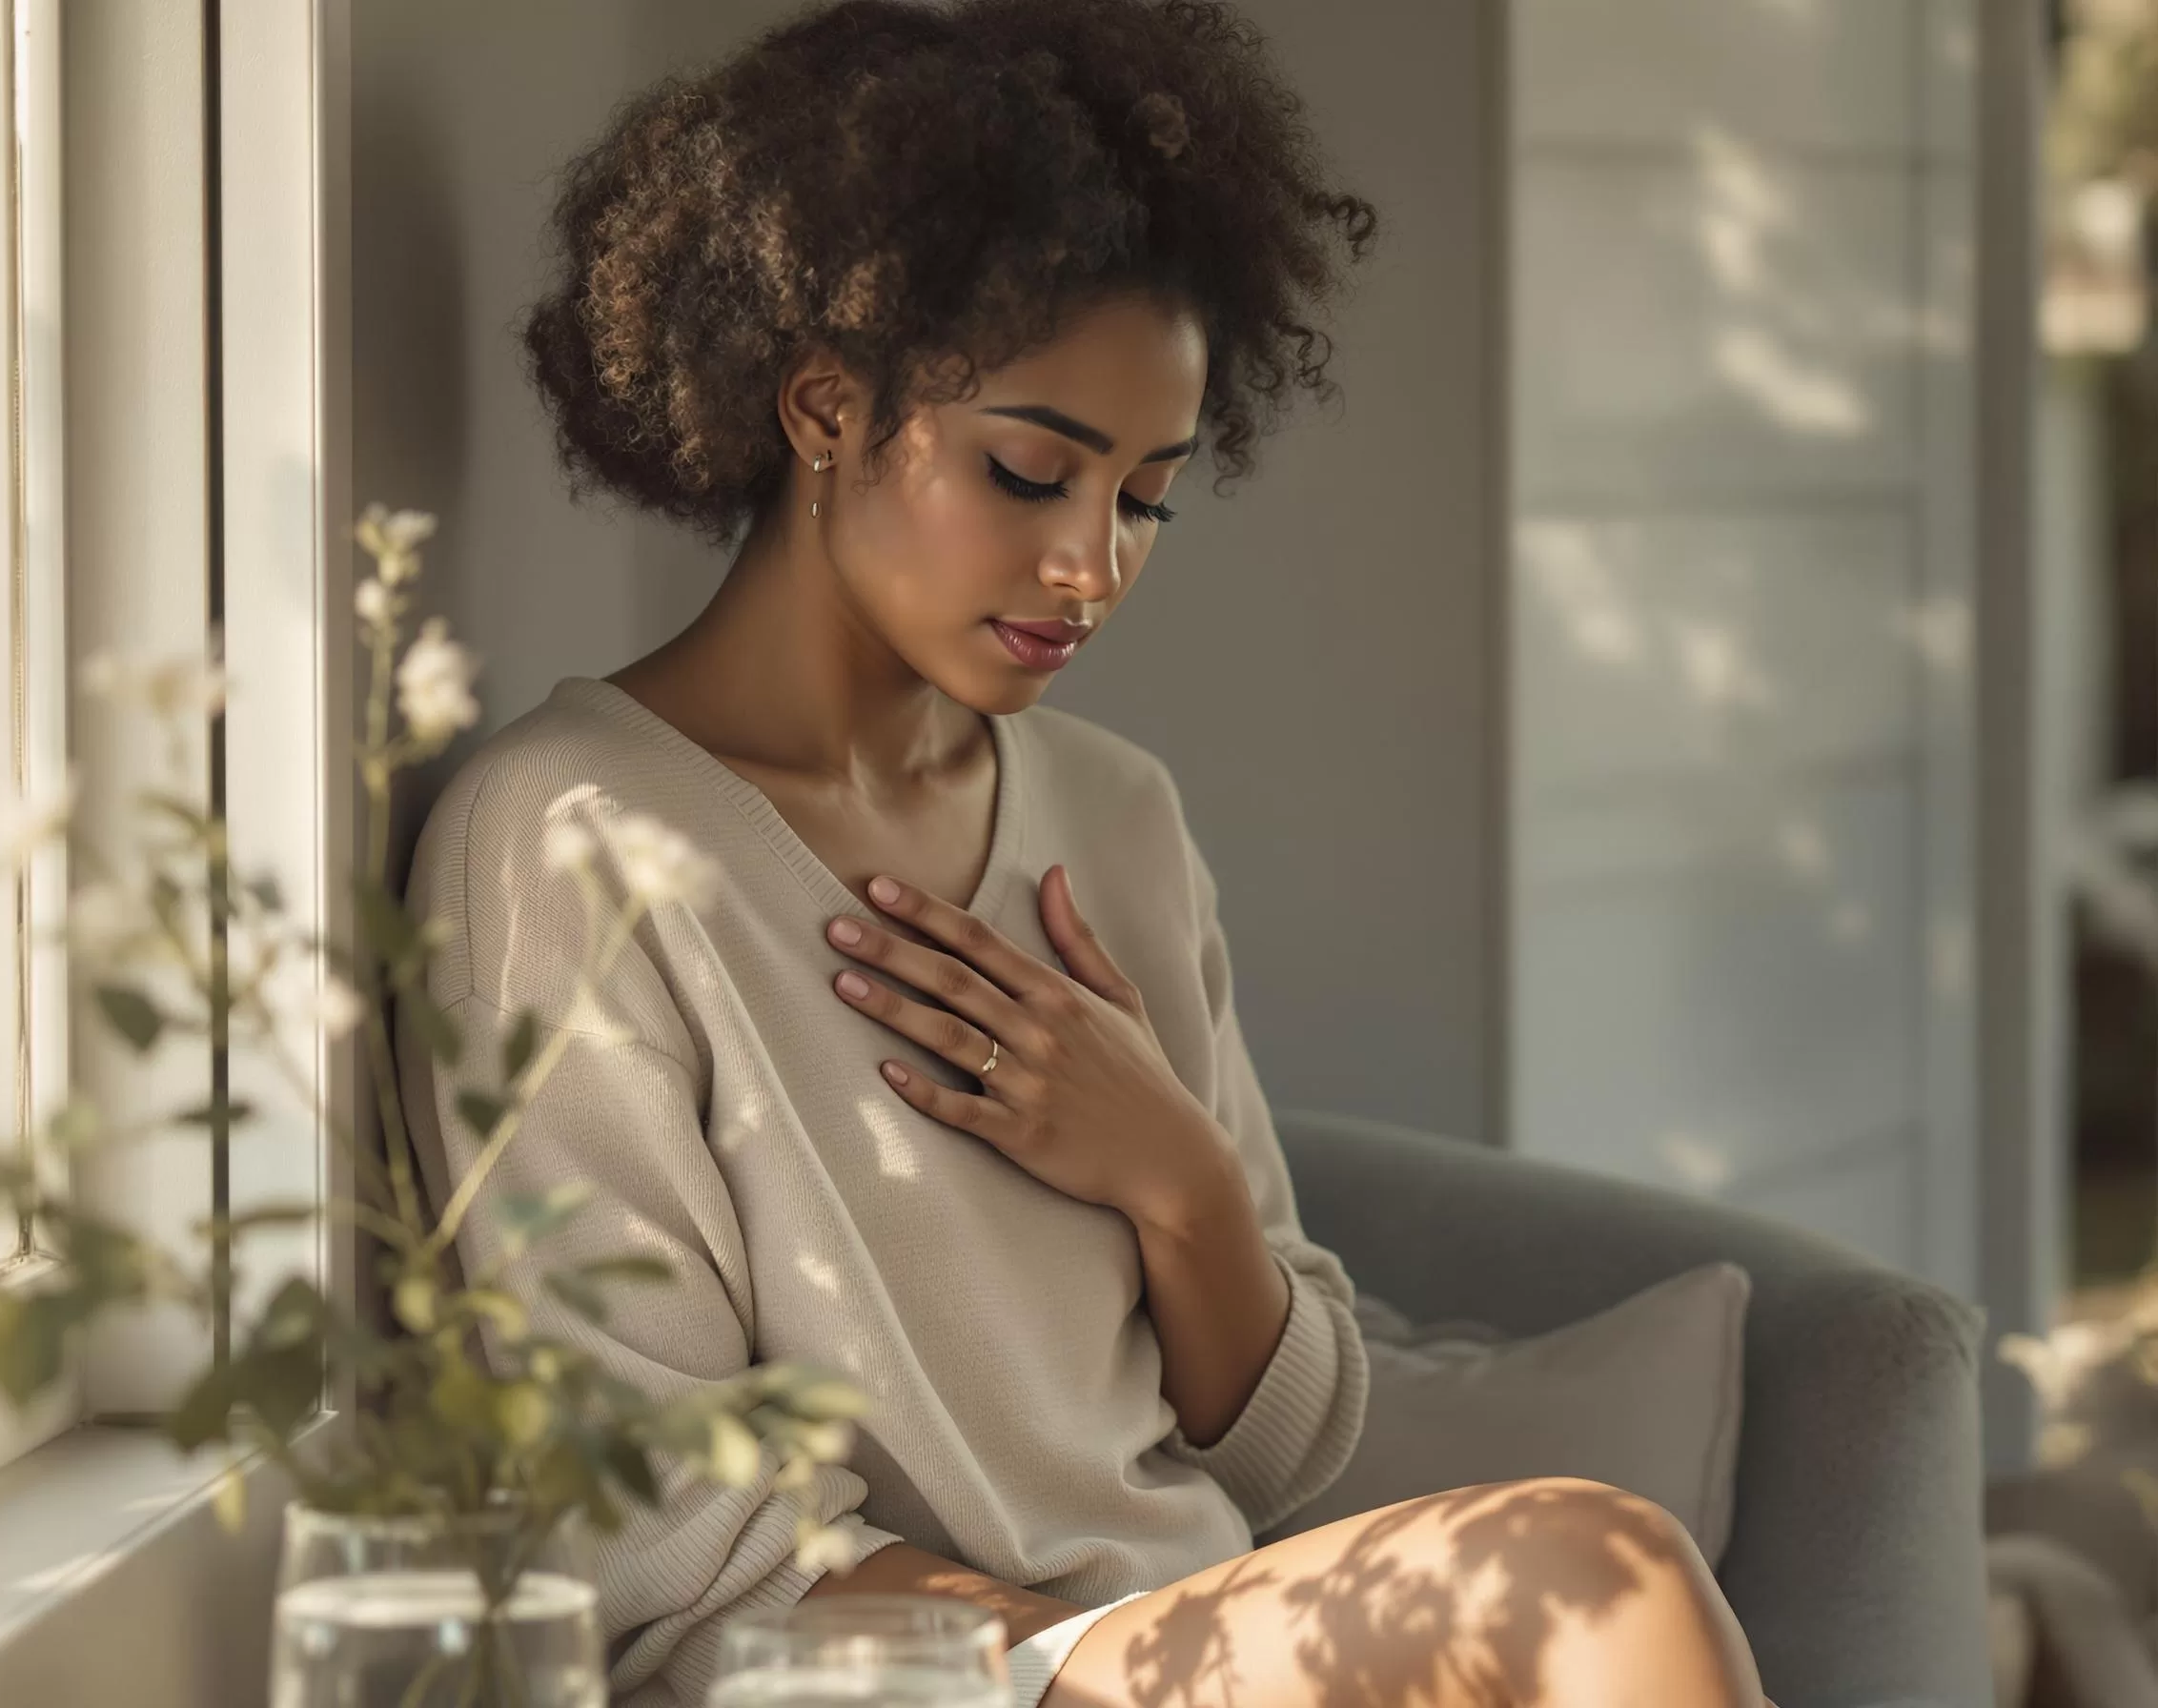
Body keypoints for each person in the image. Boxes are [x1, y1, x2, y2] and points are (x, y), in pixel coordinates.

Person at [395, 2, 1775, 1704]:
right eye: (1032, 472)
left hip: (1180, 1643)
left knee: (1593, 1590)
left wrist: (1174, 1179)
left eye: (1142, 498)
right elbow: (650, 1521)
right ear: (825, 404)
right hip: (883, 1674)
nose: (1090, 566)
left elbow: (1283, 1453)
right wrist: (1068, 1663)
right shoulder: (568, 843)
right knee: (1598, 1579)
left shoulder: (1114, 819)